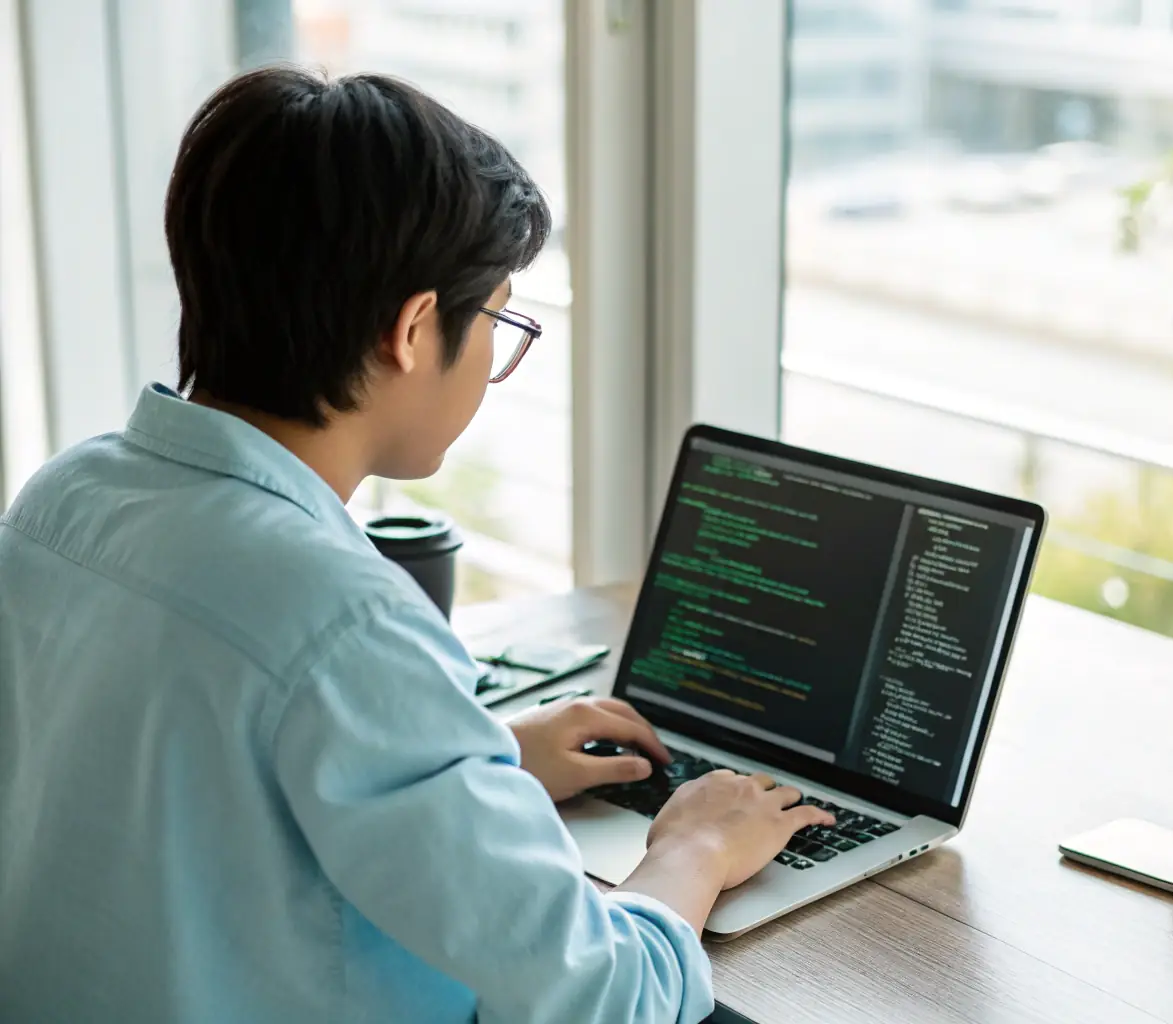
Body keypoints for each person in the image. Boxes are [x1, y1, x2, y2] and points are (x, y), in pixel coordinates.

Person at [0, 66, 833, 1023]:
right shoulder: (341, 616)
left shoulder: (66, 497)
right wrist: (695, 847)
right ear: (411, 328)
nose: (495, 358)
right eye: (500, 320)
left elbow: (193, 791)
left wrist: (485, 761)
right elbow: (611, 999)